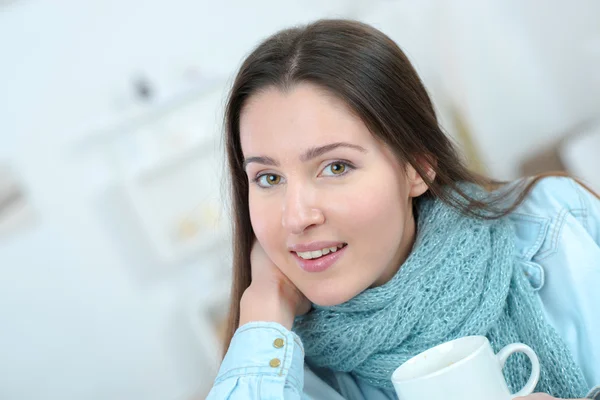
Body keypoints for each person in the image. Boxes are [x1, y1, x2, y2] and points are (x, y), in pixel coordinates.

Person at [206, 19, 600, 400]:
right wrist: (262, 312)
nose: (295, 217)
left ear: (417, 168)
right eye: (269, 178)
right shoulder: (284, 369)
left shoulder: (555, 224)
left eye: (336, 167)